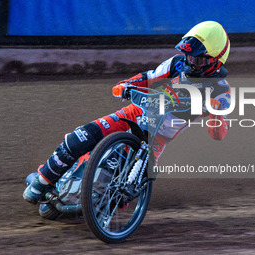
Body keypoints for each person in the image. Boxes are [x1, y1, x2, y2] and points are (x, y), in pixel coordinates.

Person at [23, 21, 231, 205]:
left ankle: (99, 204)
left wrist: (215, 114)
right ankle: (40, 183)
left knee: (124, 187)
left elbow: (219, 134)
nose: (190, 63)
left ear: (217, 60)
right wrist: (125, 85)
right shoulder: (177, 63)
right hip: (134, 114)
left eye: (198, 60)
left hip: (156, 138)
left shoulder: (221, 90)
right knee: (80, 137)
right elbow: (149, 77)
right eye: (188, 56)